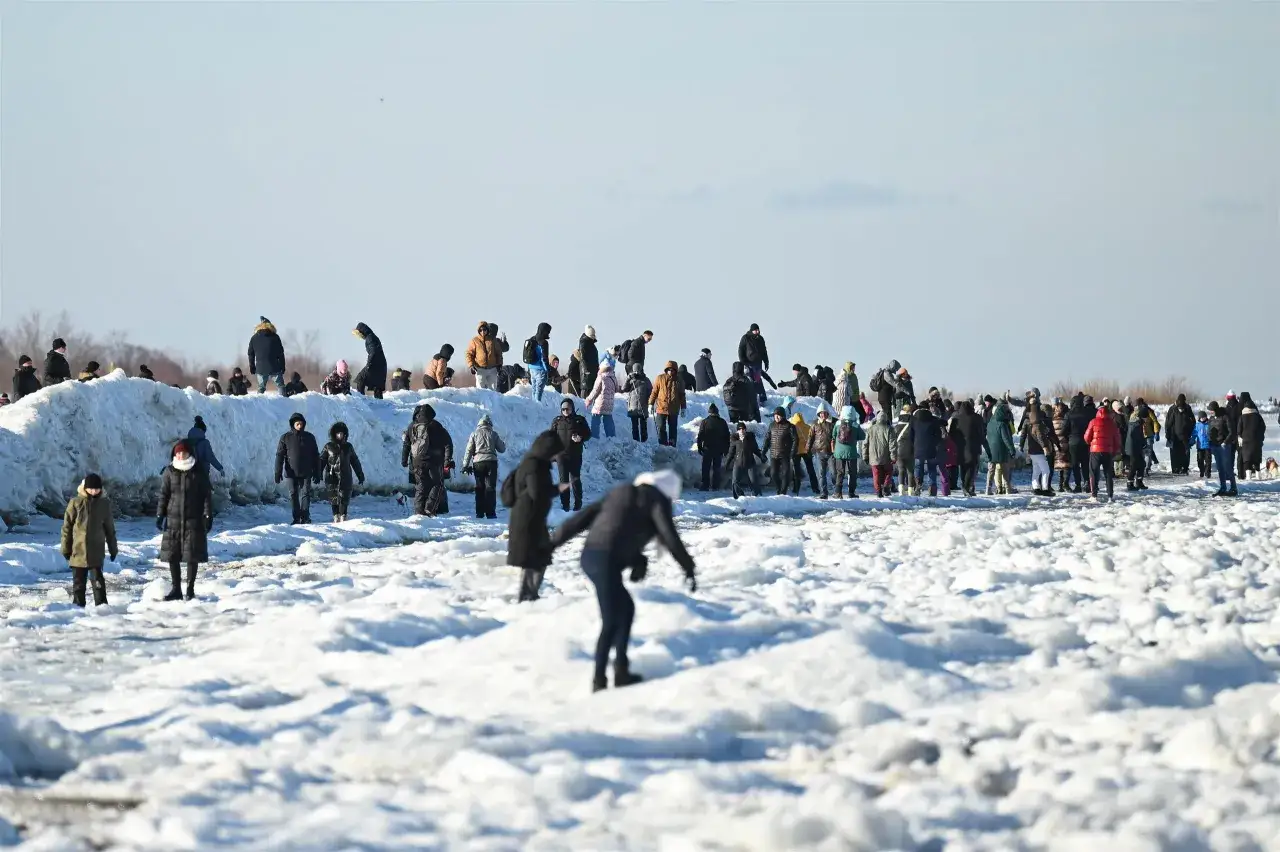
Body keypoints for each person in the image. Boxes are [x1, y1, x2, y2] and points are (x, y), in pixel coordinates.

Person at [548, 470, 697, 693]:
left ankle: (620, 670)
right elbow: (669, 535)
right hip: (605, 561)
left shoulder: (621, 492)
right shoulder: (655, 499)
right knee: (612, 620)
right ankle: (600, 680)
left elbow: (582, 519)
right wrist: (688, 567)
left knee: (625, 610)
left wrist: (552, 543)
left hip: (591, 557)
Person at [505, 430, 565, 602]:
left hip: (529, 518)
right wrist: (557, 489)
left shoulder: (530, 463)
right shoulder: (535, 466)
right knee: (537, 558)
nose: (555, 457)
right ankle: (527, 596)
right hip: (529, 520)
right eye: (555, 452)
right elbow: (537, 492)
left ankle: (528, 595)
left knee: (535, 559)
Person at [157, 440, 214, 601]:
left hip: (194, 521)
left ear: (190, 453)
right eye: (178, 452)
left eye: (184, 452)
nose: (181, 455)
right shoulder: (169, 471)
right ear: (174, 454)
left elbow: (206, 496)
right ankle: (176, 589)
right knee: (172, 555)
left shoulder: (198, 471)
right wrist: (160, 514)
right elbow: (164, 495)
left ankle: (190, 589)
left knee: (192, 555)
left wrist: (208, 515)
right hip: (173, 521)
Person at [60, 473, 118, 607]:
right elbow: (66, 528)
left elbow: (110, 529)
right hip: (78, 551)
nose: (94, 491)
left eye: (97, 489)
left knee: (98, 582)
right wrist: (65, 548)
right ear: (85, 488)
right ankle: (78, 608)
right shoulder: (75, 503)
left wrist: (113, 549)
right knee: (78, 584)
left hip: (96, 551)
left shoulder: (104, 504)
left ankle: (102, 608)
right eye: (91, 488)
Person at [402, 403, 455, 516]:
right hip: (433, 461)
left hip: (417, 461)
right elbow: (448, 444)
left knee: (421, 486)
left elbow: (406, 444)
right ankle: (429, 509)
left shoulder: (412, 426)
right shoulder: (436, 425)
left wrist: (404, 460)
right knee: (438, 484)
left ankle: (419, 512)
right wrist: (447, 460)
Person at [274, 413, 321, 524]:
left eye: (301, 424)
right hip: (291, 472)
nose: (299, 426)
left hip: (306, 471)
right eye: (297, 424)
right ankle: (296, 518)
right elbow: (279, 455)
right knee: (293, 494)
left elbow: (316, 455)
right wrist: (277, 472)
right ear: (293, 424)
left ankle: (305, 517)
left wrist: (317, 472)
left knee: (306, 494)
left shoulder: (310, 437)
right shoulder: (285, 437)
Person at [319, 421, 365, 522]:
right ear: (334, 434)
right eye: (338, 433)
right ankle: (335, 516)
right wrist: (318, 474)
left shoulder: (348, 447)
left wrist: (360, 475)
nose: (340, 435)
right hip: (332, 476)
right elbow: (321, 460)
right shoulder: (328, 446)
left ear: (345, 434)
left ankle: (343, 515)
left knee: (344, 497)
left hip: (345, 476)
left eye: (342, 433)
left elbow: (355, 461)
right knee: (333, 497)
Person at [462, 414, 506, 519]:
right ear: (490, 424)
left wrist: (465, 465)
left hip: (478, 463)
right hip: (491, 463)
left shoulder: (474, 434)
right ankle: (491, 513)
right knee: (490, 487)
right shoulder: (493, 434)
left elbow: (469, 450)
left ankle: (480, 513)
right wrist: (503, 443)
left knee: (479, 487)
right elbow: (502, 449)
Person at [552, 399, 592, 511]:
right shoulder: (557, 421)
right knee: (563, 481)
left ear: (572, 408)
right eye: (563, 409)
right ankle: (565, 505)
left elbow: (588, 434)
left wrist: (580, 437)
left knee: (575, 479)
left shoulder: (579, 420)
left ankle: (578, 504)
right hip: (561, 456)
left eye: (568, 408)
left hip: (575, 455)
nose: (565, 411)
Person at [1020, 401, 1060, 496]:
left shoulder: (1027, 422)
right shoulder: (1040, 423)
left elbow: (1023, 435)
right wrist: (1049, 446)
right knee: (1046, 470)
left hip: (1032, 451)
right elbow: (1046, 436)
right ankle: (1045, 489)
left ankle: (1036, 488)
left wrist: (1021, 446)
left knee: (1036, 470)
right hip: (1040, 450)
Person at [1083, 404, 1122, 501]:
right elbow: (1117, 439)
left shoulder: (1093, 422)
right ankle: (1110, 495)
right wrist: (1115, 450)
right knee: (1108, 474)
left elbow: (1087, 437)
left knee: (1093, 473)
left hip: (1095, 451)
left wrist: (1091, 443)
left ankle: (1094, 495)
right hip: (1108, 452)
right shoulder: (1112, 423)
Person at [948, 400, 985, 497]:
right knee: (971, 467)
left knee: (963, 466)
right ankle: (966, 486)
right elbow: (982, 432)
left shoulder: (956, 419)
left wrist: (957, 442)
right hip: (973, 446)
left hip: (960, 447)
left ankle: (966, 486)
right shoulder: (977, 418)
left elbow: (951, 434)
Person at [649, 361, 687, 448]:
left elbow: (682, 395)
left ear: (675, 370)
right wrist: (650, 403)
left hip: (674, 408)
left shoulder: (679, 380)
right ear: (666, 370)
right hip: (661, 407)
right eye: (669, 369)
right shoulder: (660, 378)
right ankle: (662, 445)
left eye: (672, 370)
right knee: (661, 427)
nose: (670, 371)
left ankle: (672, 445)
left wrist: (683, 407)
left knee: (673, 428)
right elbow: (654, 392)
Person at [696, 403, 732, 490]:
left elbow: (701, 435)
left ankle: (705, 485)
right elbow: (727, 437)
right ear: (717, 412)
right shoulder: (722, 422)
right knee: (717, 469)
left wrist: (699, 447)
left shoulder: (705, 422)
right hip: (718, 449)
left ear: (709, 412)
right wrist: (726, 449)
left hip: (707, 449)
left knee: (706, 468)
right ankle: (715, 486)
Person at [910, 404, 943, 497]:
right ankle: (932, 487)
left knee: (918, 467)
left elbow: (910, 435)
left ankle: (918, 486)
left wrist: (914, 444)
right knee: (931, 468)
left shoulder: (913, 420)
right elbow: (938, 435)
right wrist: (934, 444)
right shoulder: (934, 420)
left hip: (918, 448)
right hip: (931, 448)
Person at [985, 403, 1017, 496]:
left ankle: (988, 489)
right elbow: (1006, 438)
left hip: (990, 450)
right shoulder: (1002, 424)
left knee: (991, 471)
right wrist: (1012, 450)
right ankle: (1007, 489)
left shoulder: (990, 423)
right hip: (1001, 450)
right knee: (1005, 471)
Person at [465, 322, 509, 391]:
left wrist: (499, 364)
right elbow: (469, 354)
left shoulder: (493, 340)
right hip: (480, 368)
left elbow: (501, 351)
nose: (483, 331)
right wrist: (471, 365)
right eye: (481, 330)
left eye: (484, 330)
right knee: (481, 389)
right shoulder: (475, 341)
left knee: (492, 389)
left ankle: (493, 401)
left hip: (492, 368)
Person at [1206, 402, 1237, 497]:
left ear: (1216, 410)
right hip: (1215, 446)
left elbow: (1232, 432)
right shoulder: (1211, 419)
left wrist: (1225, 442)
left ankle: (1233, 488)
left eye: (1212, 411)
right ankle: (1223, 487)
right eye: (1209, 411)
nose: (1210, 412)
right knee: (1220, 468)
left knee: (1227, 467)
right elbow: (1209, 432)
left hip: (1224, 446)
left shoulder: (1225, 417)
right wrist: (1210, 442)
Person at [247, 317, 286, 393]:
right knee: (280, 385)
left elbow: (250, 354)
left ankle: (259, 402)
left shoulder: (254, 338)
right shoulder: (275, 337)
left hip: (260, 367)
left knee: (261, 387)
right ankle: (283, 400)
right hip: (275, 366)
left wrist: (252, 366)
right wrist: (282, 366)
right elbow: (280, 353)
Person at [859, 409, 892, 498]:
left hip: (873, 456)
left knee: (876, 474)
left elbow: (865, 444)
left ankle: (878, 491)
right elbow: (892, 444)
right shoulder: (889, 429)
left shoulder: (870, 429)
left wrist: (865, 456)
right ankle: (885, 485)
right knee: (888, 472)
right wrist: (893, 456)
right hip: (886, 456)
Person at [726, 422, 764, 497]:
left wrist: (762, 456)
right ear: (737, 431)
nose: (742, 430)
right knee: (735, 482)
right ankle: (740, 497)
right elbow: (731, 452)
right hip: (738, 463)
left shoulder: (750, 438)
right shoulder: (734, 439)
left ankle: (757, 496)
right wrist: (728, 462)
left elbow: (755, 449)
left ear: (745, 430)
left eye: (743, 429)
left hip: (750, 462)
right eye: (740, 429)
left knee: (753, 481)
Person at [584, 360, 619, 439]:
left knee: (595, 418)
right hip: (609, 404)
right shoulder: (613, 378)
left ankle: (594, 437)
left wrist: (588, 399)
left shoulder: (601, 377)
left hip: (600, 404)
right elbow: (617, 389)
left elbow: (595, 390)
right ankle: (611, 438)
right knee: (608, 419)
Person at [806, 408, 836, 499]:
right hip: (819, 452)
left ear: (827, 414)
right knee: (821, 474)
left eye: (825, 413)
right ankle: (823, 493)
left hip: (831, 452)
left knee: (833, 473)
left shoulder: (832, 423)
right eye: (821, 413)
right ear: (819, 414)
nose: (823, 415)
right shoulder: (815, 424)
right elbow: (810, 437)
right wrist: (807, 449)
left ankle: (837, 491)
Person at [1064, 394, 1091, 493]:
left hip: (1073, 442)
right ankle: (1087, 483)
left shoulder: (1069, 414)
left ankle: (1078, 485)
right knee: (1085, 463)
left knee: (1075, 464)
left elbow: (1064, 430)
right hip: (1085, 442)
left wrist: (1069, 436)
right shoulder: (1087, 414)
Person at [353, 323, 388, 398]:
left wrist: (369, 364)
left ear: (362, 332)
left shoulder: (370, 338)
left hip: (375, 365)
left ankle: (361, 398)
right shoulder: (372, 336)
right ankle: (380, 403)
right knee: (377, 385)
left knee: (360, 378)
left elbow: (373, 352)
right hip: (381, 365)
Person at [764, 407, 794, 495]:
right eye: (775, 415)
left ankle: (783, 492)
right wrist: (763, 451)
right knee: (773, 474)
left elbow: (795, 440)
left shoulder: (790, 426)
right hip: (774, 454)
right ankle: (779, 488)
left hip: (785, 454)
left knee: (785, 474)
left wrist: (793, 451)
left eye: (778, 415)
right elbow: (767, 439)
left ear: (783, 416)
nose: (776, 417)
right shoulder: (771, 425)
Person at [737, 323, 770, 404]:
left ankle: (762, 399)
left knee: (758, 380)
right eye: (755, 330)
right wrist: (743, 362)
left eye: (758, 330)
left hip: (758, 363)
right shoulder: (746, 338)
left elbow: (764, 351)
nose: (757, 331)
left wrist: (766, 361)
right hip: (748, 363)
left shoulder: (760, 339)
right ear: (752, 331)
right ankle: (750, 399)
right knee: (749, 381)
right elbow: (740, 350)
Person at [1164, 393, 1196, 475]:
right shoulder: (1173, 409)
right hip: (1174, 436)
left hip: (1185, 436)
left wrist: (1190, 432)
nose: (1181, 409)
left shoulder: (1188, 408)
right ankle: (1175, 468)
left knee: (1185, 452)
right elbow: (1168, 423)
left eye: (1182, 408)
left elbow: (1193, 421)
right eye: (1179, 408)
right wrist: (1167, 433)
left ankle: (1184, 468)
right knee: (1175, 453)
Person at [1238, 392, 1267, 480]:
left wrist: (1240, 436)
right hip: (1256, 440)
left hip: (1246, 440)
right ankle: (1258, 475)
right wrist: (1261, 436)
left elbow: (1239, 428)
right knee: (1257, 457)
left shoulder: (1242, 416)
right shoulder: (1257, 416)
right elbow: (1263, 427)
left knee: (1247, 458)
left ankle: (1248, 476)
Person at [187, 416, 225, 482]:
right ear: (202, 431)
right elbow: (210, 457)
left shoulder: (188, 442)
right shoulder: (204, 443)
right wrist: (220, 468)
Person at [789, 412, 819, 494]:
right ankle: (815, 488)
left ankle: (796, 488)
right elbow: (813, 438)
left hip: (796, 451)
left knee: (796, 471)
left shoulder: (792, 427)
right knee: (811, 470)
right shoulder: (808, 427)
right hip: (807, 451)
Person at [621, 363, 653, 443]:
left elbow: (651, 392)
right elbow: (624, 389)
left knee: (643, 426)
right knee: (634, 427)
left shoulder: (646, 380)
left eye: (638, 370)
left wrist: (650, 402)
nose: (637, 373)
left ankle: (644, 441)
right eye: (635, 371)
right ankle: (636, 441)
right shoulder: (631, 380)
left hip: (643, 407)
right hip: (633, 407)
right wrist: (628, 378)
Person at [523, 323, 553, 402]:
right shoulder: (543, 343)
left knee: (534, 389)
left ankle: (534, 405)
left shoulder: (532, 339)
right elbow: (544, 358)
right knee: (539, 391)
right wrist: (547, 369)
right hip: (540, 370)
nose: (549, 333)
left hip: (531, 368)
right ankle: (538, 407)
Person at [894, 404, 918, 496]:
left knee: (901, 470)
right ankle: (911, 490)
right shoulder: (912, 426)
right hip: (910, 450)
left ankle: (901, 489)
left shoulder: (896, 426)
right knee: (910, 471)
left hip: (899, 451)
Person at [1051, 400, 1073, 493]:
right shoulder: (1066, 419)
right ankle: (1065, 483)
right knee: (1067, 465)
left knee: (1060, 464)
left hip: (1056, 444)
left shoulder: (1053, 420)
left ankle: (1060, 485)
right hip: (1065, 443)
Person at [578, 326, 600, 402]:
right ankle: (583, 406)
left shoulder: (590, 343)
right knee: (586, 388)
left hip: (592, 370)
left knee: (591, 389)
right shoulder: (584, 343)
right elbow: (583, 357)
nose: (593, 337)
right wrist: (586, 370)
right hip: (587, 372)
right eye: (592, 336)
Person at [1193, 411, 1213, 479]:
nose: (1202, 419)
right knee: (1200, 459)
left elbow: (1212, 434)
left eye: (1204, 417)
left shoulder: (1209, 424)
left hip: (1207, 446)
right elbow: (1194, 434)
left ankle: (1208, 472)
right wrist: (1191, 441)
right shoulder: (1197, 425)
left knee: (1208, 460)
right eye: (1201, 418)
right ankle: (1202, 471)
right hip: (1200, 446)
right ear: (1199, 418)